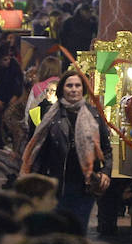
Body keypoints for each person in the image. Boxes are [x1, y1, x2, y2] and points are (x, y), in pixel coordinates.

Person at [20, 69, 111, 230]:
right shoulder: (51, 116)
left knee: (78, 231)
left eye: (77, 85)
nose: (74, 89)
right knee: (56, 232)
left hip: (84, 187)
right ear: (62, 89)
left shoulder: (94, 115)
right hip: (56, 186)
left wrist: (105, 172)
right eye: (69, 85)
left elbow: (107, 150)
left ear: (83, 89)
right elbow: (38, 150)